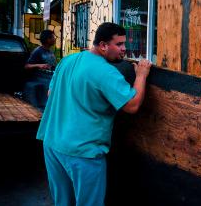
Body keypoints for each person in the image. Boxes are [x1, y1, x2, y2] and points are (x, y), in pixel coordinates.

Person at [37, 22, 152, 206]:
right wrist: (141, 76)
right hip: (83, 152)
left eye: (124, 44)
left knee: (62, 202)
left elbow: (51, 93)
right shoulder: (104, 71)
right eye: (119, 44)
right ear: (103, 46)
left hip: (52, 144)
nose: (124, 50)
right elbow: (132, 105)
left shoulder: (67, 60)